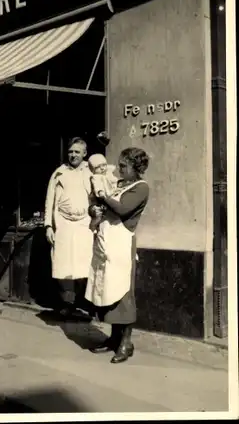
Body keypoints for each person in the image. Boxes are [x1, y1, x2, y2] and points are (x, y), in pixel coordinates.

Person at [85, 147, 150, 364]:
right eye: (119, 165)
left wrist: (103, 196)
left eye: (124, 166)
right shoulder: (118, 185)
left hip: (121, 244)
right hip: (105, 243)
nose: (119, 169)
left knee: (122, 293)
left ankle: (126, 342)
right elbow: (96, 205)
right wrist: (94, 209)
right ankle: (113, 339)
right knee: (107, 291)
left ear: (136, 167)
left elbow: (122, 210)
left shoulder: (141, 188)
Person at [44, 137, 94, 317]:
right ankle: (68, 304)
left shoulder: (92, 171)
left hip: (85, 223)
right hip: (63, 224)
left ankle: (85, 302)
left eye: (77, 152)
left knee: (84, 262)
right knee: (64, 265)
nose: (73, 155)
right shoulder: (59, 172)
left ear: (85, 153)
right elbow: (50, 200)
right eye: (71, 151)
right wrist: (49, 226)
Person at [87, 154, 118, 231]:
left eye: (104, 165)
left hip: (110, 195)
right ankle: (93, 227)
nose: (102, 168)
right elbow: (97, 186)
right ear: (93, 170)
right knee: (99, 214)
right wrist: (100, 192)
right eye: (98, 167)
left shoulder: (108, 174)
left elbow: (114, 180)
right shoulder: (96, 177)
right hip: (100, 199)